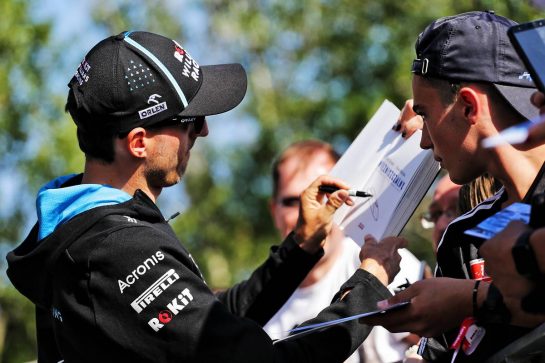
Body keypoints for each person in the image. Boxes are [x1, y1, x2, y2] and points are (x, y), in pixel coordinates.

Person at [6, 31, 406, 362]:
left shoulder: (80, 232)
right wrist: (368, 287)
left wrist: (300, 244)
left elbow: (212, 325)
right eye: (190, 122)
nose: (204, 132)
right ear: (139, 142)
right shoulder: (116, 248)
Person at [361, 11, 545, 362]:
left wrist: (470, 298)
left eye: (426, 114)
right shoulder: (463, 240)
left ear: (467, 105)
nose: (424, 141)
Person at [264, 140, 422, 363]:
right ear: (274, 211)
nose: (311, 209)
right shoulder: (260, 303)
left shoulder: (386, 261)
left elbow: (440, 345)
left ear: (347, 197)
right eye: (293, 201)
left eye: (326, 193)